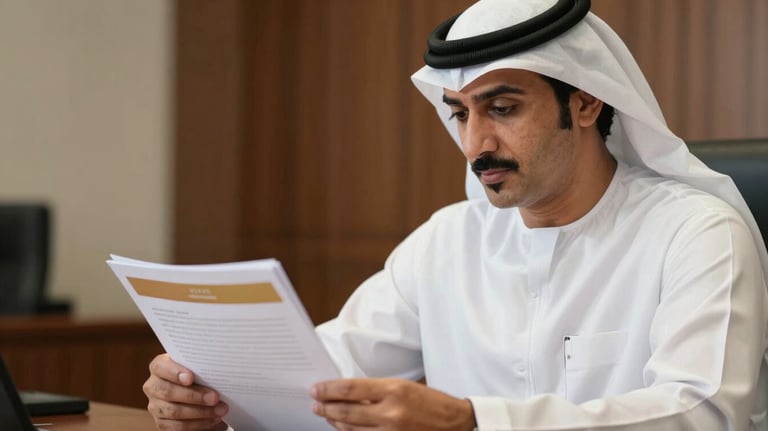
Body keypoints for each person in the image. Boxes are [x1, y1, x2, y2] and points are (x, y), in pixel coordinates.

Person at [143, 0, 768, 430]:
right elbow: (327, 374)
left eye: (501, 109)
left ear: (583, 104)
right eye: (460, 113)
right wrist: (208, 394)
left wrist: (469, 420)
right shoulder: (447, 241)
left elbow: (702, 413)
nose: (475, 145)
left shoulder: (697, 232)